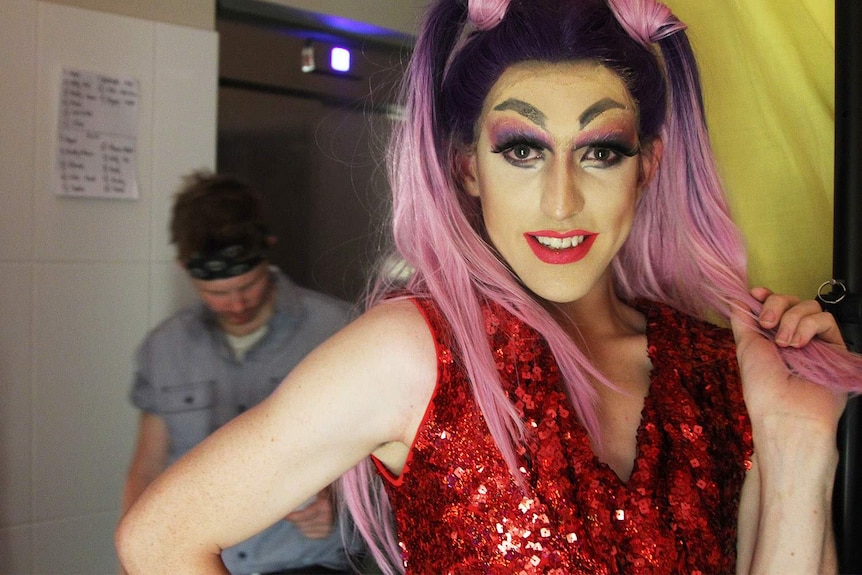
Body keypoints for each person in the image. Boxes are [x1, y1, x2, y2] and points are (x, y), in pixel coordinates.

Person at [116, 1, 862, 574]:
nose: (561, 200)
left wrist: (798, 443)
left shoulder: (722, 369)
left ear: (648, 164)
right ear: (468, 165)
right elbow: (161, 536)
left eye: (600, 151)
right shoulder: (415, 354)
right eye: (523, 150)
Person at [120, 171, 359, 575]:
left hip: (305, 562)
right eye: (215, 292)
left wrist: (337, 502)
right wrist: (133, 558)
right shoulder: (166, 347)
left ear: (268, 250)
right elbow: (146, 469)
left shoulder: (337, 330)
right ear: (185, 269)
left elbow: (377, 453)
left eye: (247, 285)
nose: (235, 304)